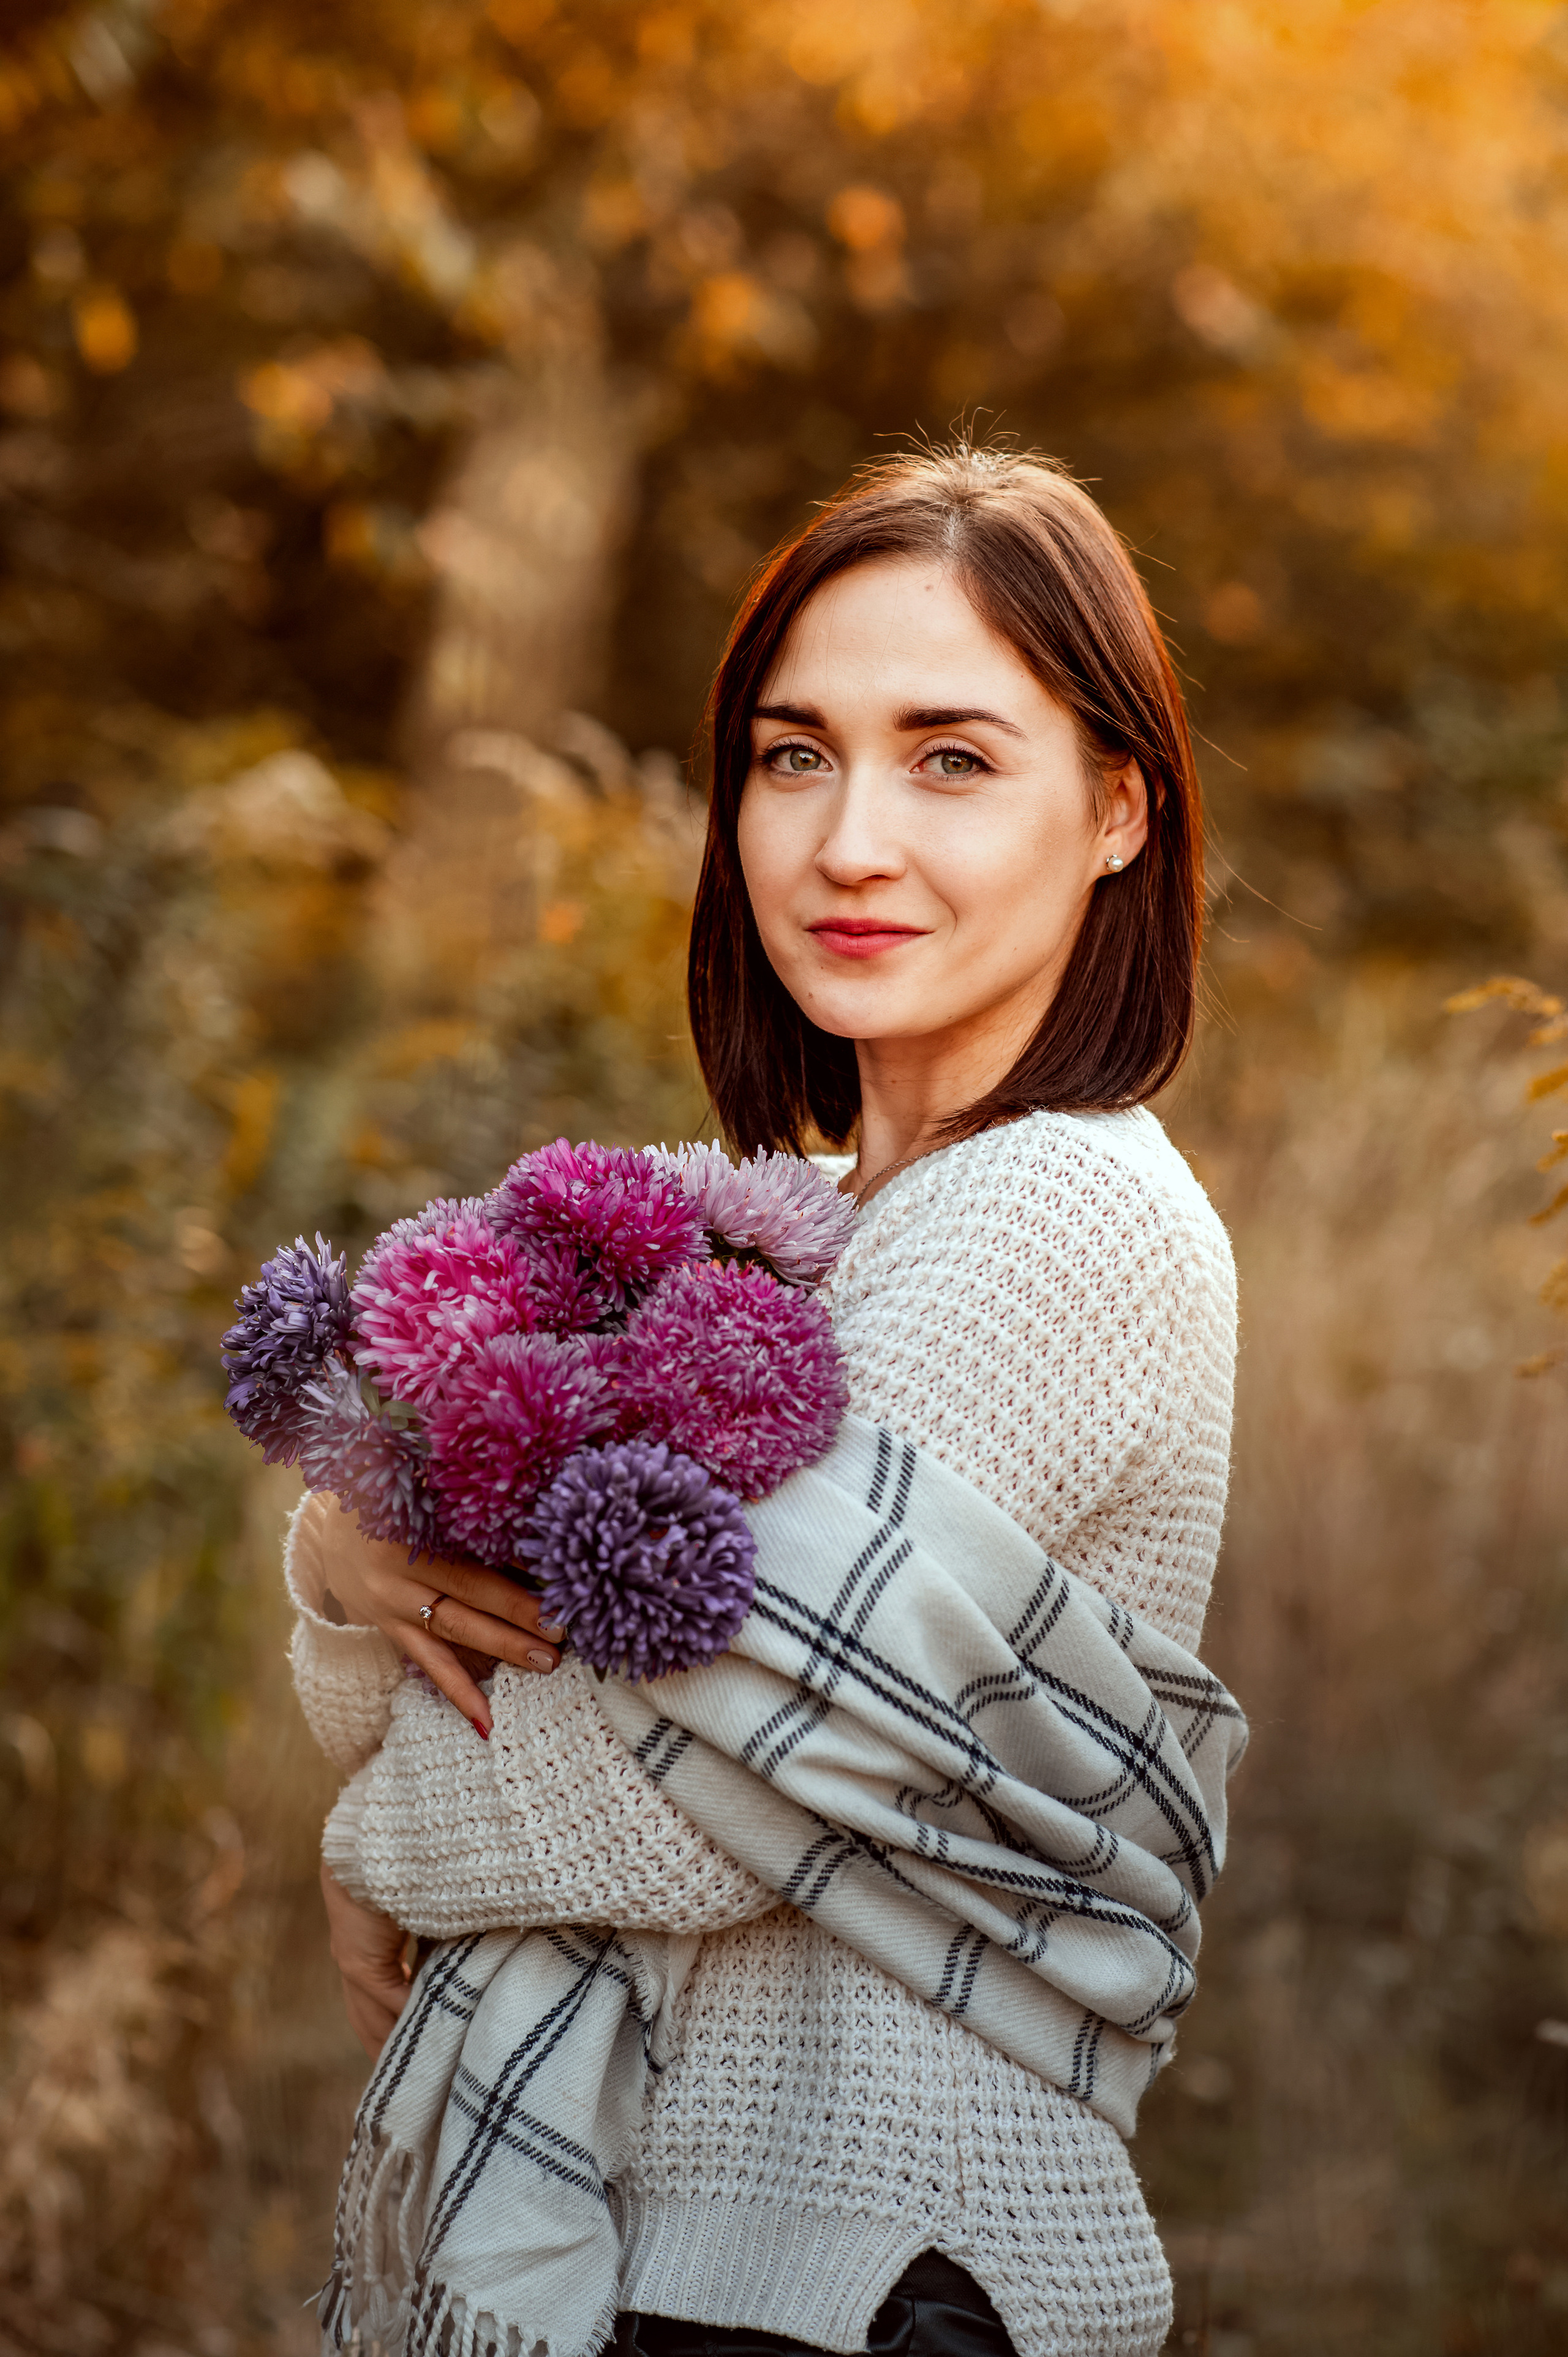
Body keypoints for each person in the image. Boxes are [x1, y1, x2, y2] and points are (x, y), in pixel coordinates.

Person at [285, 442, 1238, 2357]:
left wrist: (366, 1849)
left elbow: (662, 1806)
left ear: (1119, 809)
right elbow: (429, 1663)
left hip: (873, 2275)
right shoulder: (785, 1233)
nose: (847, 840)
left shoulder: (1061, 1205)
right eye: (795, 756)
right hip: (680, 2252)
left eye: (952, 759)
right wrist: (338, 1543)